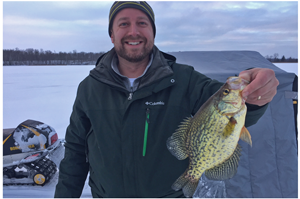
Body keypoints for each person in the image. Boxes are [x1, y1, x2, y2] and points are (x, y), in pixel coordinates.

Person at [54, 1, 279, 198]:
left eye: (142, 23)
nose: (134, 31)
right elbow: (75, 151)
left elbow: (234, 109)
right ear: (112, 34)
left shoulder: (185, 79)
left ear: (153, 32)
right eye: (123, 23)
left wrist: (256, 92)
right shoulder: (89, 88)